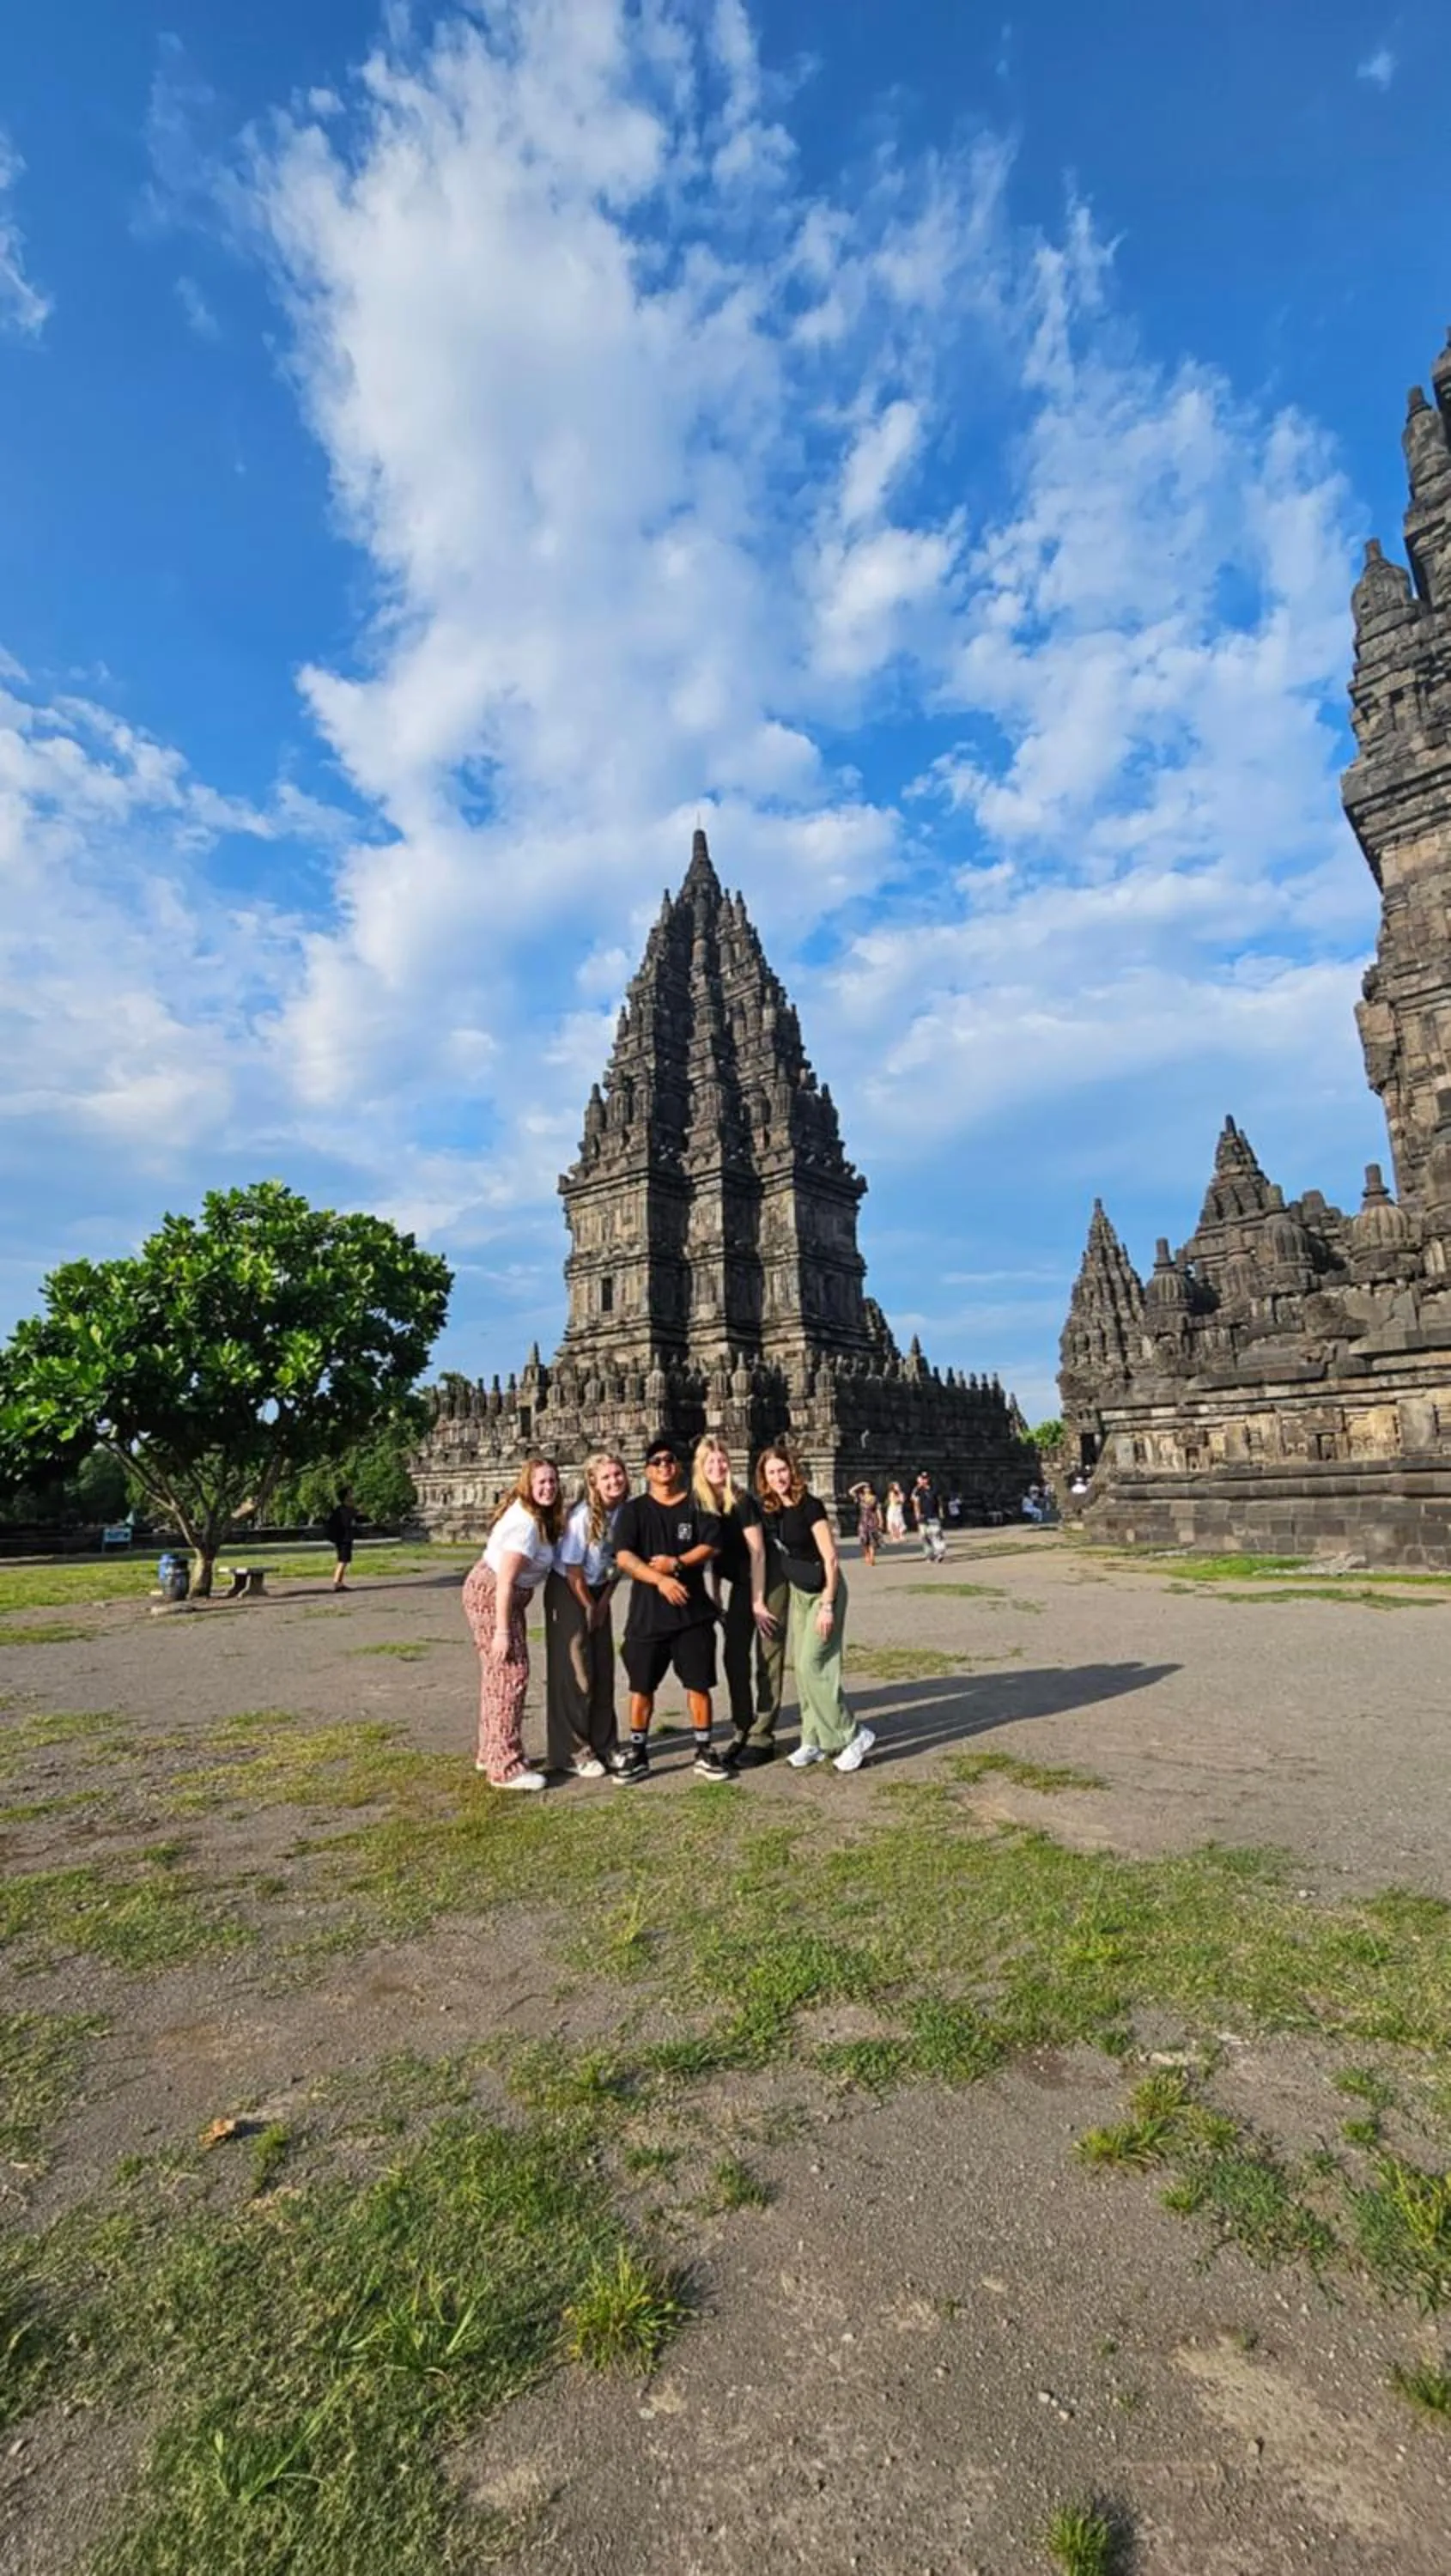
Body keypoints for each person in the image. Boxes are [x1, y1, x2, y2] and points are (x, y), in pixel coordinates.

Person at [610, 1435, 734, 1784]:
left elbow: (711, 1544)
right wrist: (660, 1580)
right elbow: (624, 1556)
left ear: (679, 1466)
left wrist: (677, 1563)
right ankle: (638, 1751)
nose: (664, 1466)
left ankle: (705, 1748)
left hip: (692, 1614)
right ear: (647, 1470)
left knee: (699, 1684)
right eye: (656, 1462)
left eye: (669, 1460)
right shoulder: (634, 1511)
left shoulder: (698, 1503)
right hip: (648, 1614)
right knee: (641, 1685)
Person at [756, 1444, 874, 1774]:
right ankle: (814, 1737)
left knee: (813, 1664)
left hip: (825, 1592)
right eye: (771, 1473)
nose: (778, 1478)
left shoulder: (811, 1506)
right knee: (802, 1667)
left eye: (782, 1470)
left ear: (793, 1470)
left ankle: (853, 1734)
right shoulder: (772, 1507)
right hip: (800, 1593)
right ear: (763, 1478)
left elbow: (831, 1558)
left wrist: (827, 1605)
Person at [460, 1456, 562, 1791]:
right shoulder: (526, 1525)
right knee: (510, 1672)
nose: (548, 1488)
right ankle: (504, 1767)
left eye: (552, 1481)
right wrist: (502, 1632)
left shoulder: (534, 1515)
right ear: (528, 1486)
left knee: (496, 1673)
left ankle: (491, 1751)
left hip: (492, 1591)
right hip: (494, 1595)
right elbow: (505, 1581)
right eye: (541, 1483)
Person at [692, 1435, 786, 1766]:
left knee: (767, 1654)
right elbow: (713, 1552)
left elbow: (758, 1553)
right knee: (734, 1655)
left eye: (722, 1460)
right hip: (739, 1583)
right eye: (711, 1462)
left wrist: (759, 1602)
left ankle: (762, 1734)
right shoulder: (702, 1502)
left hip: (767, 1580)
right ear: (701, 1467)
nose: (718, 1467)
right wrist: (716, 1593)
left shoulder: (741, 1500)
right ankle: (741, 1726)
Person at [544, 1452, 628, 1778]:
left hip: (600, 1587)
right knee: (577, 1668)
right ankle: (573, 1750)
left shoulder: (625, 1513)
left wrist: (604, 1602)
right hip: (569, 1587)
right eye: (606, 1477)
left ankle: (606, 1743)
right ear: (593, 1481)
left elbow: (619, 1563)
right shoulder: (581, 1517)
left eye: (617, 1474)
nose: (613, 1481)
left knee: (603, 1665)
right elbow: (573, 1568)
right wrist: (589, 1606)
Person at [325, 1486, 361, 1592]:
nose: (352, 1497)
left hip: (344, 1538)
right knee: (343, 1560)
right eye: (350, 1494)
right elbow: (346, 1524)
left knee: (344, 1560)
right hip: (343, 1539)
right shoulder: (343, 1511)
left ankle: (339, 1582)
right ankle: (337, 1583)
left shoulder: (346, 1510)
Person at [911, 1470, 947, 1564]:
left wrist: (941, 1512)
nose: (924, 1480)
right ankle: (929, 1554)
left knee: (936, 1533)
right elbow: (915, 1502)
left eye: (926, 1478)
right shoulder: (918, 1490)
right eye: (922, 1479)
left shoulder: (935, 1489)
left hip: (933, 1515)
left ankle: (940, 1552)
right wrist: (917, 1515)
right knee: (924, 1536)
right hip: (923, 1516)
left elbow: (939, 1501)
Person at [849, 1480, 882, 1569]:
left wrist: (881, 1521)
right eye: (866, 1488)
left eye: (869, 1487)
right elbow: (851, 1491)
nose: (867, 1489)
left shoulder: (875, 1498)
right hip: (863, 1521)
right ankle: (867, 1554)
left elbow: (878, 1510)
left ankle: (872, 1557)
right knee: (864, 1540)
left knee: (872, 1540)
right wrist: (861, 1484)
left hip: (872, 1520)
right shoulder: (861, 1497)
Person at [884, 1481, 908, 1545]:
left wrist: (900, 1497)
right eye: (896, 1486)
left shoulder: (901, 1493)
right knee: (892, 1523)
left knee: (899, 1522)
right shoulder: (891, 1493)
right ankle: (894, 1536)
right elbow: (895, 1501)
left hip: (899, 1510)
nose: (898, 1487)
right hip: (893, 1510)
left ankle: (900, 1535)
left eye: (898, 1486)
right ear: (893, 1487)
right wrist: (899, 1499)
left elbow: (902, 1501)